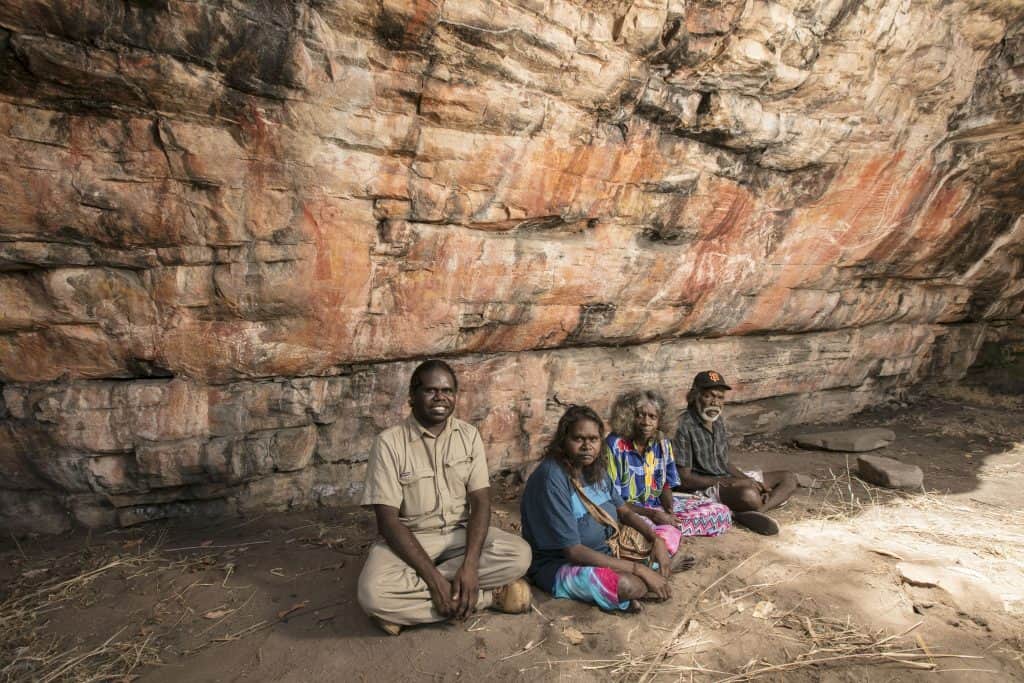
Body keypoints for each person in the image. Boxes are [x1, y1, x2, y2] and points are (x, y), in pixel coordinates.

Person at [358, 360, 533, 635]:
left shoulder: (468, 435)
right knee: (372, 593)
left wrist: (471, 565)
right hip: (411, 540)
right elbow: (388, 523)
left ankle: (408, 606)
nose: (441, 397)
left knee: (520, 554)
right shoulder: (388, 443)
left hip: (459, 536)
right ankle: (488, 598)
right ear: (411, 398)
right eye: (431, 391)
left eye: (448, 391)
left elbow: (481, 502)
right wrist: (435, 580)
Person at [521, 405, 691, 612]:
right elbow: (573, 552)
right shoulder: (552, 478)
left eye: (593, 439)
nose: (587, 446)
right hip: (560, 565)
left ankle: (650, 573)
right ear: (563, 441)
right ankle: (648, 576)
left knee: (669, 534)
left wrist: (655, 539)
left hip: (610, 548)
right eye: (578, 439)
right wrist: (638, 569)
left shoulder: (595, 468)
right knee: (627, 585)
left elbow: (625, 511)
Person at [673, 371, 797, 535]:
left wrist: (748, 480)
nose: (715, 402)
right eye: (709, 396)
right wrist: (730, 482)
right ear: (695, 396)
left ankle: (758, 511)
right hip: (702, 488)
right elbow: (684, 480)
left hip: (725, 479)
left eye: (720, 397)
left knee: (788, 478)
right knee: (749, 496)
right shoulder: (683, 426)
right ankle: (750, 507)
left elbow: (724, 463)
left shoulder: (717, 422)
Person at [605, 390, 731, 541]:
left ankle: (671, 530)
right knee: (641, 531)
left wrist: (670, 512)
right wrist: (654, 515)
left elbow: (665, 485)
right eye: (640, 415)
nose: (646, 422)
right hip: (627, 511)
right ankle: (666, 535)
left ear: (660, 420)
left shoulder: (662, 443)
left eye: (652, 417)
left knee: (721, 511)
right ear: (629, 417)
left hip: (655, 505)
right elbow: (613, 500)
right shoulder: (614, 445)